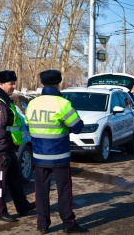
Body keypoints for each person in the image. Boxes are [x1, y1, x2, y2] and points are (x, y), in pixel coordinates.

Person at [25, 69, 89, 234]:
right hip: (60, 156)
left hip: (39, 156)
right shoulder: (63, 104)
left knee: (40, 191)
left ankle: (42, 225)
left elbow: (27, 124)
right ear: (58, 83)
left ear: (42, 83)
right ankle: (68, 224)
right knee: (64, 191)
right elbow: (77, 127)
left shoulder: (33, 103)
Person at [0, 70, 35, 222]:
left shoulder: (4, 100)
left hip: (8, 147)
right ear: (1, 84)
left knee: (15, 178)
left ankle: (22, 206)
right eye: (11, 83)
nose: (13, 86)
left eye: (14, 83)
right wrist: (3, 150)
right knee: (0, 181)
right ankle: (0, 212)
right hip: (2, 148)